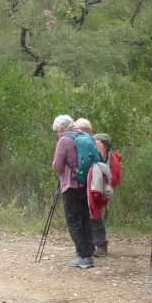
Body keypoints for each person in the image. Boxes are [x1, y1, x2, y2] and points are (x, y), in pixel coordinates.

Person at [51, 115, 95, 268]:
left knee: (73, 220)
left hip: (70, 185)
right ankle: (88, 251)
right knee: (85, 218)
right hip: (85, 183)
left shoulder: (64, 140)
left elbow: (57, 166)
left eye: (56, 130)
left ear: (61, 128)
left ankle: (83, 256)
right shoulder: (82, 135)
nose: (56, 133)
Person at [90, 133, 122, 257]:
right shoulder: (101, 154)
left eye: (98, 142)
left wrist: (101, 190)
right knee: (91, 215)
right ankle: (93, 243)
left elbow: (114, 178)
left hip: (101, 190)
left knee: (95, 215)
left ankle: (101, 244)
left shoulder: (111, 159)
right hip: (94, 187)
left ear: (104, 144)